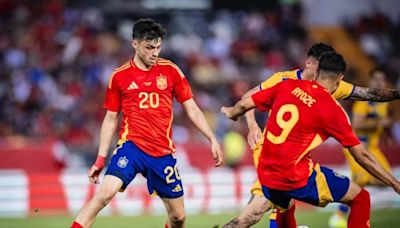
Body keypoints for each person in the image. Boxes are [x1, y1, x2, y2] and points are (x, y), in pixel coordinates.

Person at [221, 43, 400, 228]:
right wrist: (252, 126)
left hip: (273, 166)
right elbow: (361, 155)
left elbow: (368, 93)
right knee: (360, 198)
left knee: (273, 208)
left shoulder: (287, 85)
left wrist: (231, 112)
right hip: (289, 170)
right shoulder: (289, 82)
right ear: (310, 64)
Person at [70, 18, 223, 228]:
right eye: (149, 47)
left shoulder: (171, 71)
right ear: (135, 44)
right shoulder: (119, 76)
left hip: (162, 152)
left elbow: (192, 108)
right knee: (104, 195)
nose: (155, 53)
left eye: (158, 47)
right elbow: (110, 118)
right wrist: (100, 159)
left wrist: (212, 138)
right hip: (132, 148)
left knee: (179, 217)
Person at [329, 68, 394, 228]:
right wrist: (380, 123)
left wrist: (387, 138)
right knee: (363, 180)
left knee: (385, 180)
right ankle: (338, 217)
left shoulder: (383, 104)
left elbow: (380, 126)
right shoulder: (363, 103)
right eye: (376, 80)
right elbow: (357, 125)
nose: (380, 83)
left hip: (373, 147)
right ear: (370, 82)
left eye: (382, 80)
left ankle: (343, 209)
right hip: (357, 146)